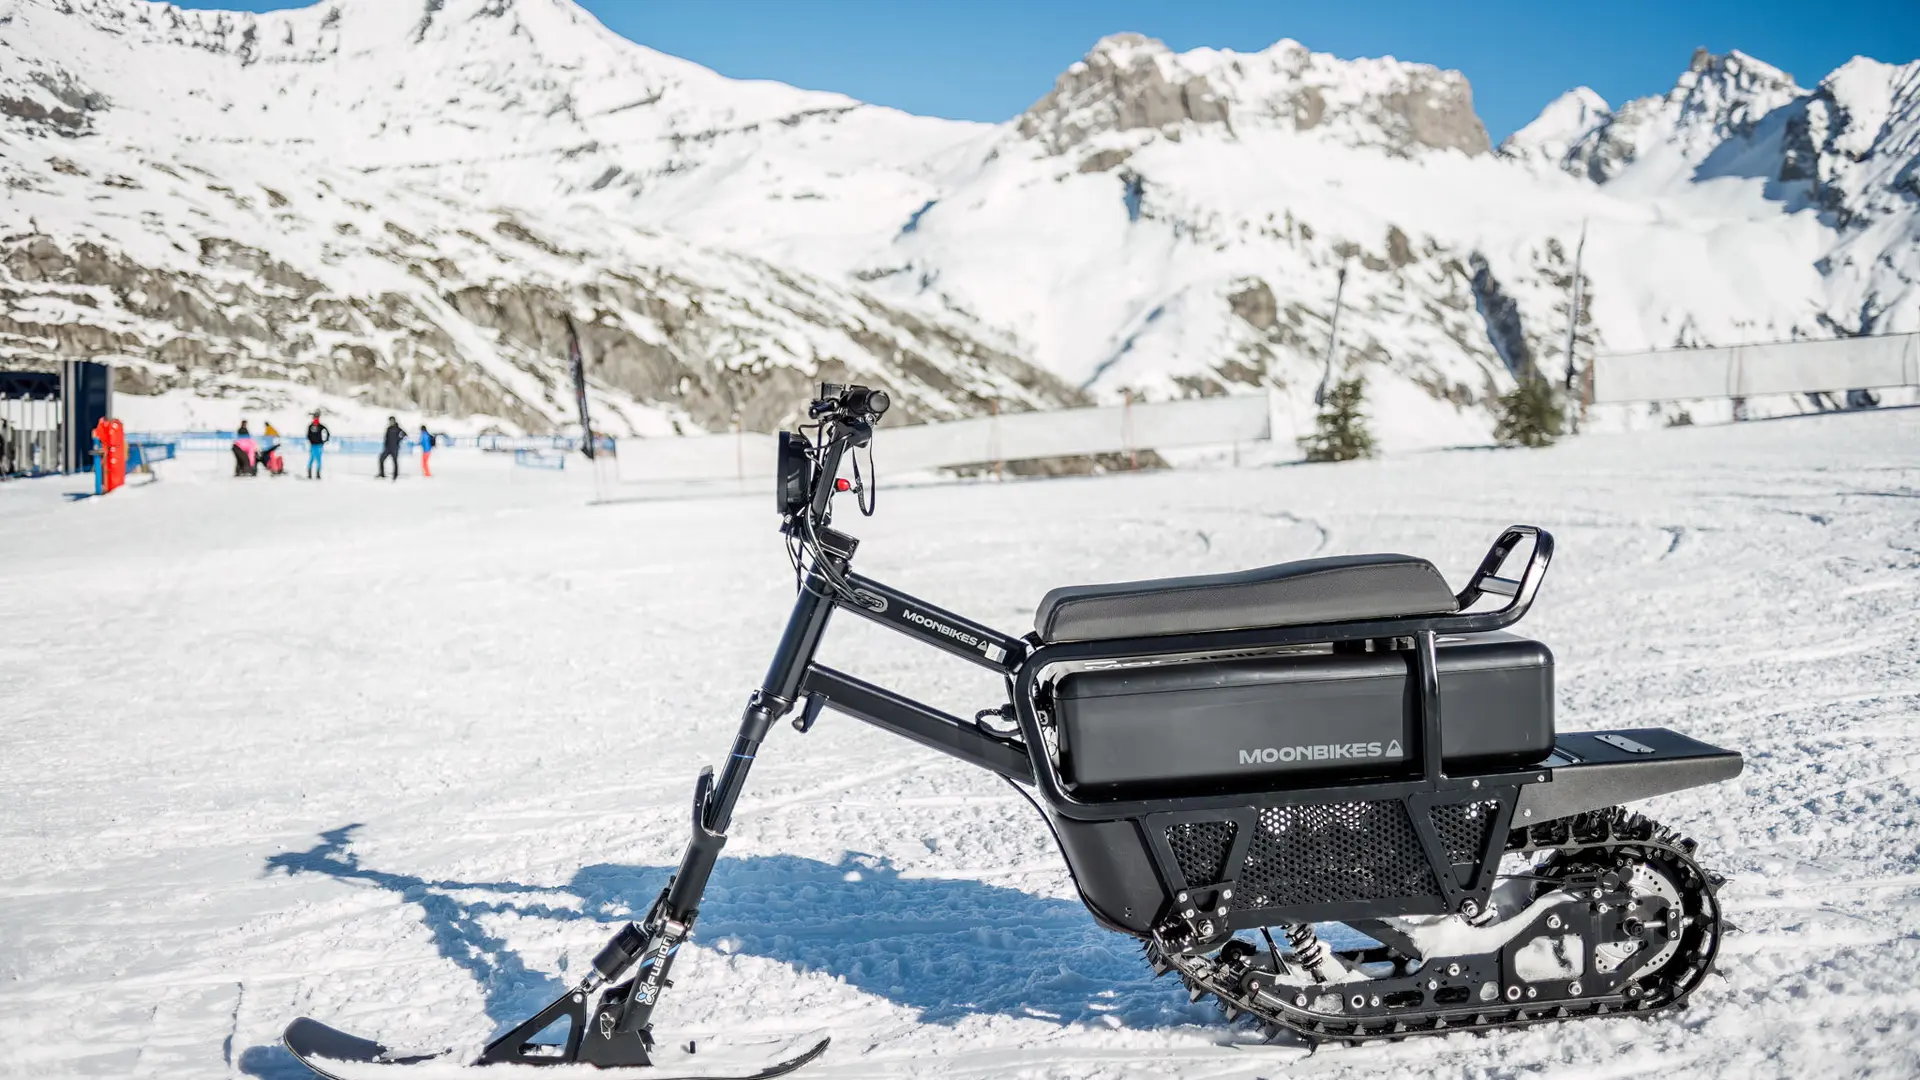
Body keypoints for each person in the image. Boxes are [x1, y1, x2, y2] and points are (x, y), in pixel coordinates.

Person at [306, 411, 330, 479]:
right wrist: (311, 441)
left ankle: (318, 474)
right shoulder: (310, 426)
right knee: (312, 459)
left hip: (319, 445)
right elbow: (308, 435)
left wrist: (324, 441)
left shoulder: (320, 426)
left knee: (318, 460)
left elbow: (327, 432)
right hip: (313, 445)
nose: (316, 419)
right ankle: (310, 474)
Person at [378, 416, 404, 480]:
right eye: (390, 420)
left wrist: (399, 440)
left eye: (392, 420)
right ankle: (382, 474)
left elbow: (404, 434)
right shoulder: (389, 428)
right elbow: (386, 438)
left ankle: (395, 475)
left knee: (395, 461)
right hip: (388, 448)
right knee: (381, 459)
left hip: (395, 448)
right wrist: (385, 445)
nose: (391, 422)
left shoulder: (397, 428)